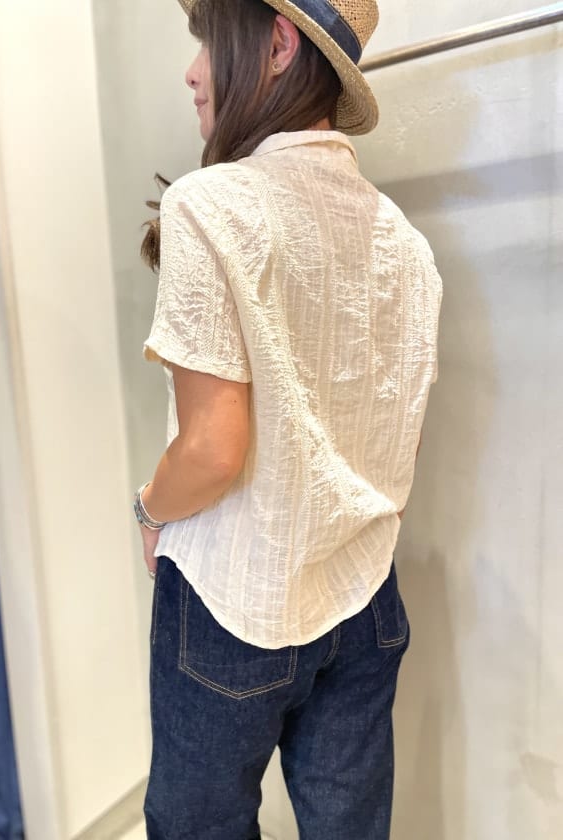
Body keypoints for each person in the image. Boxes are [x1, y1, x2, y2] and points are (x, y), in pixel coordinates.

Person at [135, 1, 442, 837]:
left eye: (208, 43)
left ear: (275, 44)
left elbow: (212, 451)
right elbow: (397, 442)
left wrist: (149, 511)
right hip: (364, 594)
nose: (193, 73)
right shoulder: (406, 244)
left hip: (236, 603)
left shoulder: (209, 205)